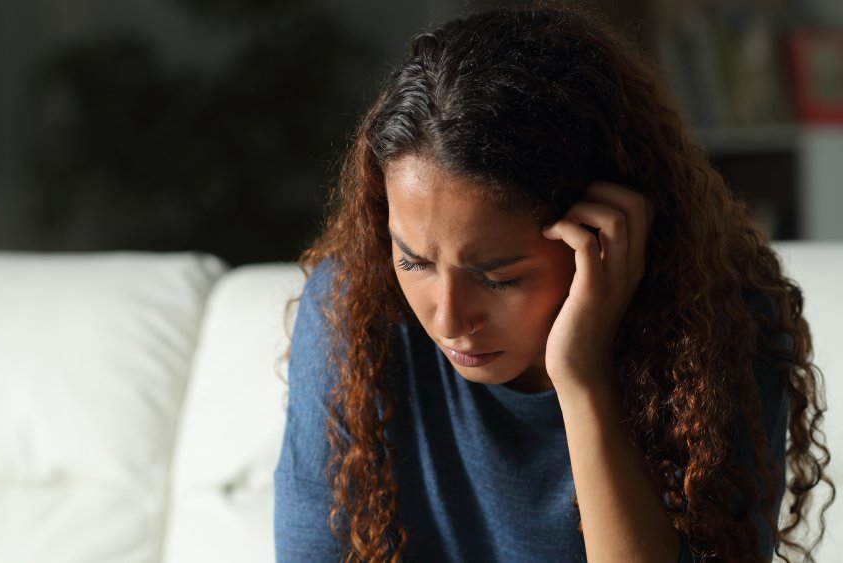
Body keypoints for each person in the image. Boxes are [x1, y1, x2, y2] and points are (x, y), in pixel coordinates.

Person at [274, 5, 832, 562]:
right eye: (414, 262)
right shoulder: (350, 309)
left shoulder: (721, 324)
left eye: (498, 276)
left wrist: (583, 379)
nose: (449, 320)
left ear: (598, 233)